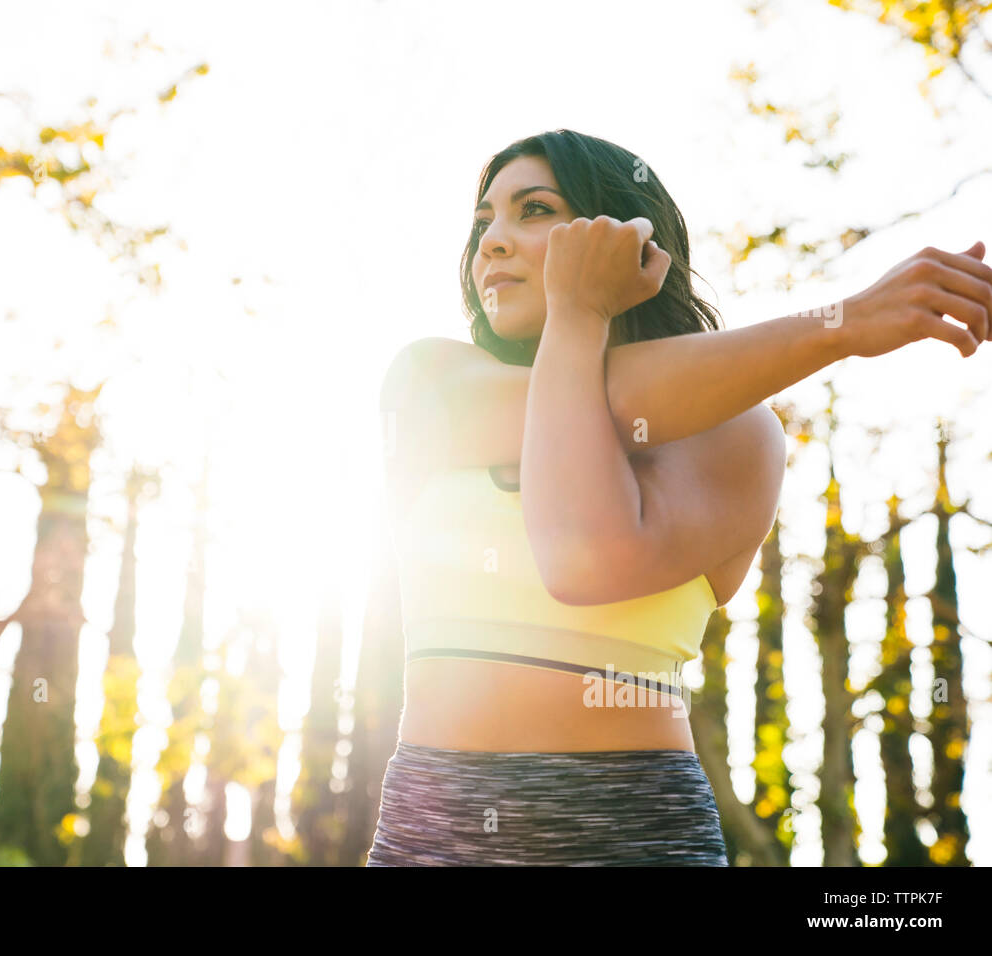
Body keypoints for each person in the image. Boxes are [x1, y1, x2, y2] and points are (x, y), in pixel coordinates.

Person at [366, 128, 991, 866]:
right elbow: (603, 396)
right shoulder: (431, 381)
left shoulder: (737, 432)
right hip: (435, 824)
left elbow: (584, 559)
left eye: (533, 210)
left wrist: (579, 316)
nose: (494, 241)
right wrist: (839, 326)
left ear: (633, 239)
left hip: (637, 827)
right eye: (483, 222)